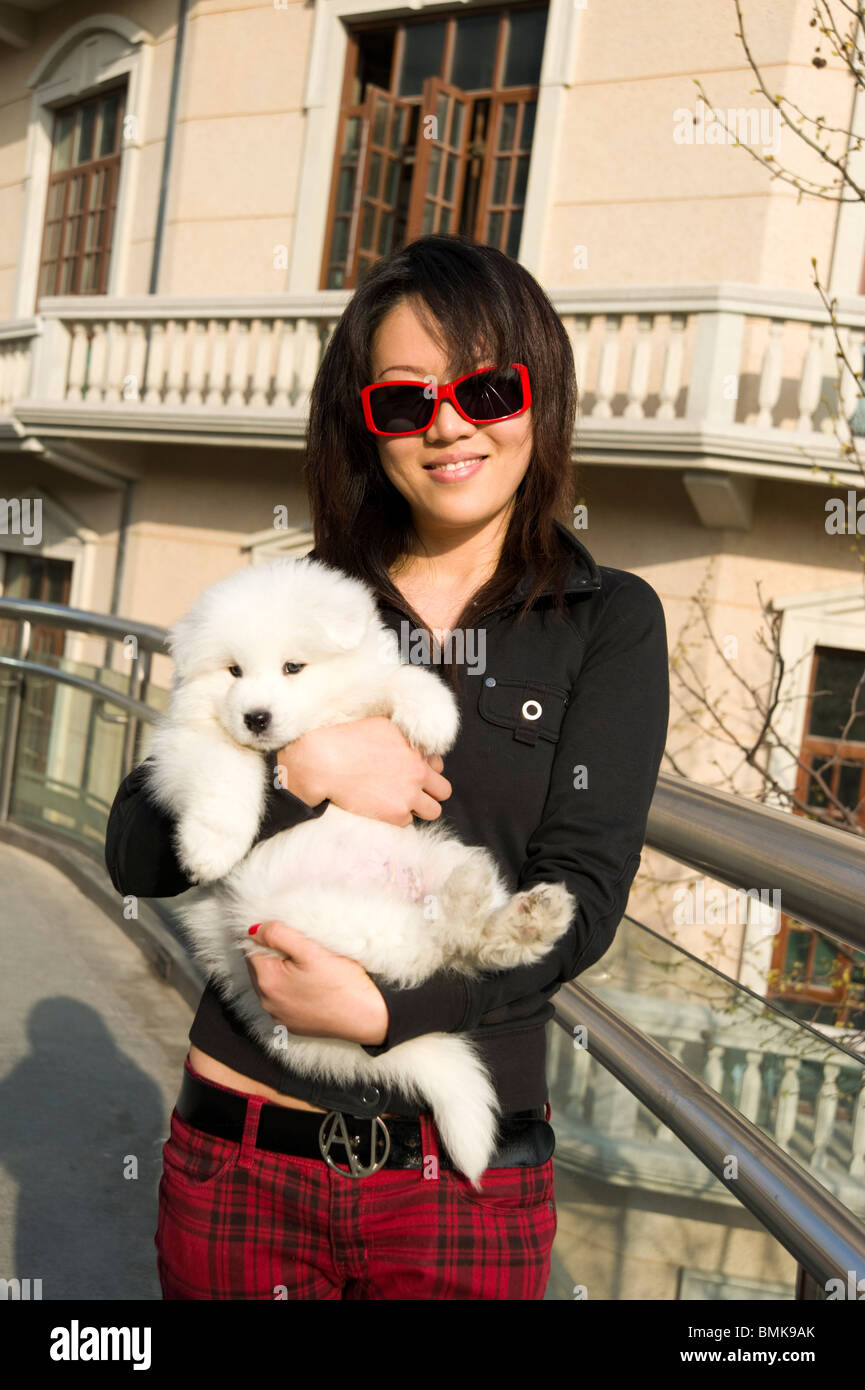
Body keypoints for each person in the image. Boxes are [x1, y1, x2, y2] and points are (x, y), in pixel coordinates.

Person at [105, 231, 669, 1301]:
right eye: (403, 402)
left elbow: (583, 898)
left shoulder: (606, 621)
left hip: (460, 1182)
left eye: (487, 387)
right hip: (243, 1156)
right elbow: (136, 850)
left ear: (538, 395)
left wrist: (389, 1017)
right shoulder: (302, 598)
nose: (448, 424)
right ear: (364, 426)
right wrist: (303, 768)